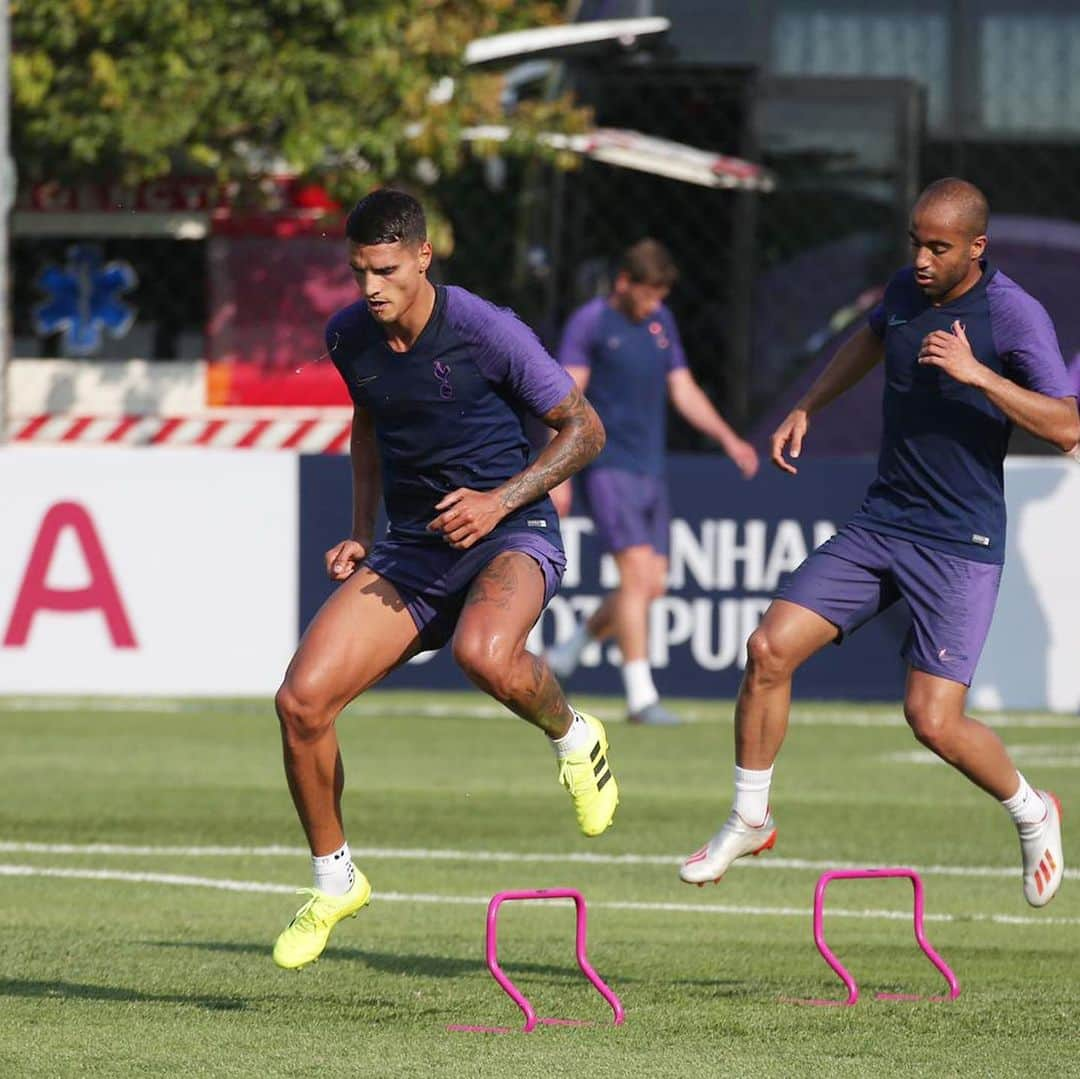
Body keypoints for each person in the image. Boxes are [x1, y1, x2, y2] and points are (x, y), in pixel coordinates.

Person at [680, 179, 1078, 907]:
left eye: (939, 247)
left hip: (961, 538)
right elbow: (864, 342)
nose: (921, 259)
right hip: (882, 522)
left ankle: (1032, 809)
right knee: (768, 648)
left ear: (977, 248)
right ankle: (750, 814)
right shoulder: (903, 289)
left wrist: (976, 373)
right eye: (915, 243)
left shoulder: (1014, 315)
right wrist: (806, 406)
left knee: (931, 719)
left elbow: (1067, 427)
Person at [272, 189, 618, 970]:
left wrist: (500, 497)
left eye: (386, 270)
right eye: (359, 270)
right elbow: (368, 422)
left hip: (510, 531)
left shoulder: (487, 330)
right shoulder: (348, 335)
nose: (370, 287)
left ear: (423, 256)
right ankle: (335, 878)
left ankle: (574, 734)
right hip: (413, 549)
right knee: (300, 702)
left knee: (486, 655)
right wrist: (362, 531)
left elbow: (585, 429)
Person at [545, 239, 759, 725]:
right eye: (649, 293)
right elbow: (563, 396)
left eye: (661, 295)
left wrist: (728, 438)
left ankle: (565, 656)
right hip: (607, 466)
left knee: (651, 585)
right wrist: (557, 472)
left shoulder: (662, 323)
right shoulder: (590, 323)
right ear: (624, 282)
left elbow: (682, 389)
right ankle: (641, 698)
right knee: (636, 577)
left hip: (651, 471)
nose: (655, 304)